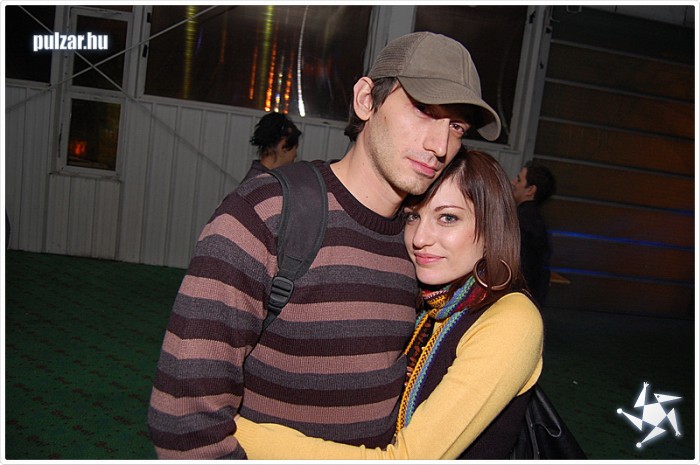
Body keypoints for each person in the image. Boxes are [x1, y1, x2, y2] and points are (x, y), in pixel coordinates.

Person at [147, 32, 501, 460]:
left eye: (457, 127)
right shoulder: (269, 212)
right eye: (424, 110)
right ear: (366, 100)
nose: (440, 147)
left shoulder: (421, 244)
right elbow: (185, 416)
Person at [233, 149, 544, 460]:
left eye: (448, 217)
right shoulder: (435, 304)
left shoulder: (512, 320)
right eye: (413, 217)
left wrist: (230, 430)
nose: (420, 238)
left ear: (492, 228)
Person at [511, 160, 556, 307]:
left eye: (519, 179)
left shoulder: (521, 221)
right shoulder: (537, 221)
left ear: (530, 190)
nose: (513, 182)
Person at [242, 111, 302, 182]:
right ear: (283, 146)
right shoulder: (264, 183)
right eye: (295, 148)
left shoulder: (254, 179)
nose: (295, 155)